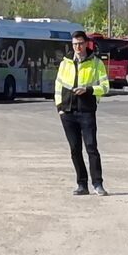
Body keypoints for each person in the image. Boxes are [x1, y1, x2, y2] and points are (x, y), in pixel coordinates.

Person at [54, 30, 110, 196]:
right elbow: (58, 85)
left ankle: (98, 184)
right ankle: (82, 184)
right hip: (68, 112)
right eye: (75, 44)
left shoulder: (96, 63)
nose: (77, 47)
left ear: (86, 44)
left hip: (86, 111)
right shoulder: (65, 63)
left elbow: (105, 86)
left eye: (80, 43)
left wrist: (88, 90)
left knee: (91, 148)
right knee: (75, 149)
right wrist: (60, 108)